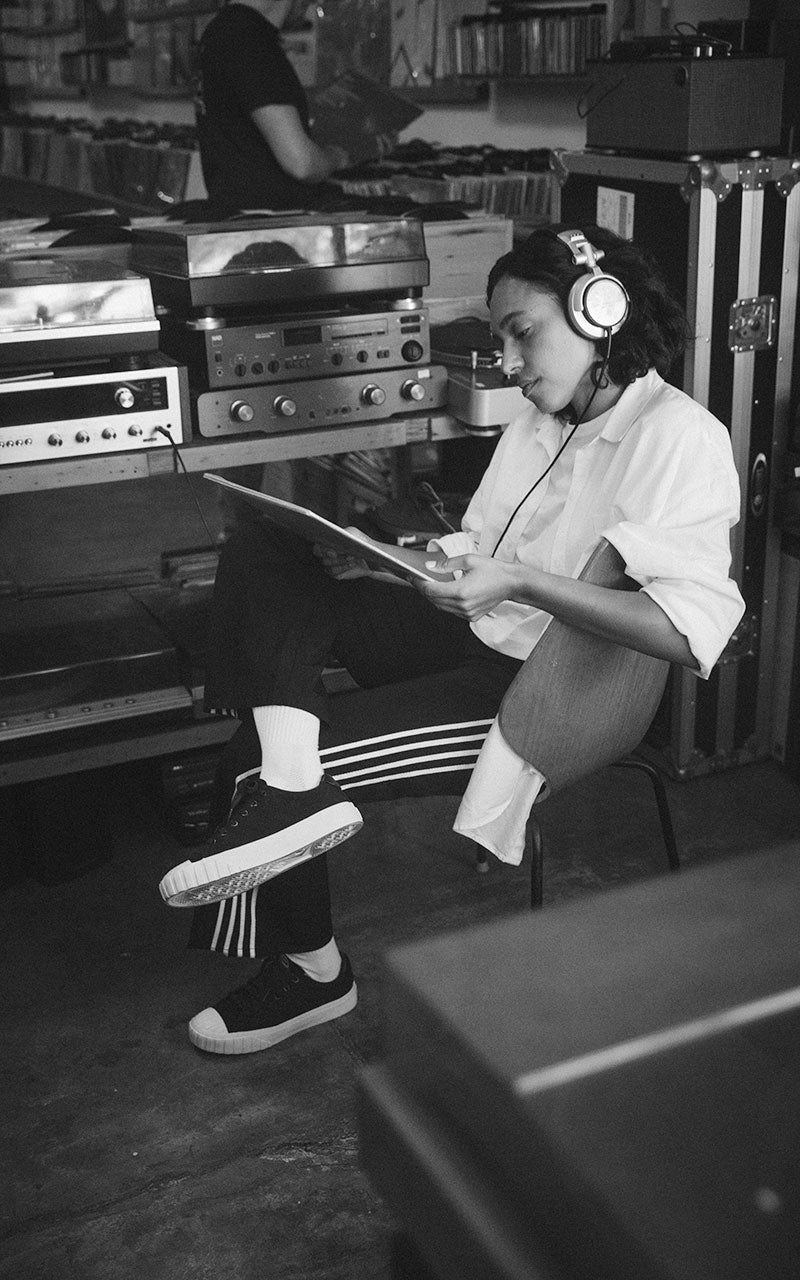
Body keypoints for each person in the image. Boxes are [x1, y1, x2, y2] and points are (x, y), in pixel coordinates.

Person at [159, 225, 746, 1055]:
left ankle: (313, 969)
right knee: (266, 543)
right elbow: (483, 557)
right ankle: (293, 786)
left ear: (599, 311)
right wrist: (403, 559)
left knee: (250, 755)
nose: (507, 362)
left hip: (548, 690)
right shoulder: (540, 425)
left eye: (521, 332)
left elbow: (687, 633)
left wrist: (517, 582)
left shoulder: (680, 437)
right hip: (479, 633)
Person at [194, 0, 350, 214]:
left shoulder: (221, 31)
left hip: (237, 217)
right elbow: (301, 163)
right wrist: (336, 157)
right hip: (269, 225)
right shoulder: (248, 38)